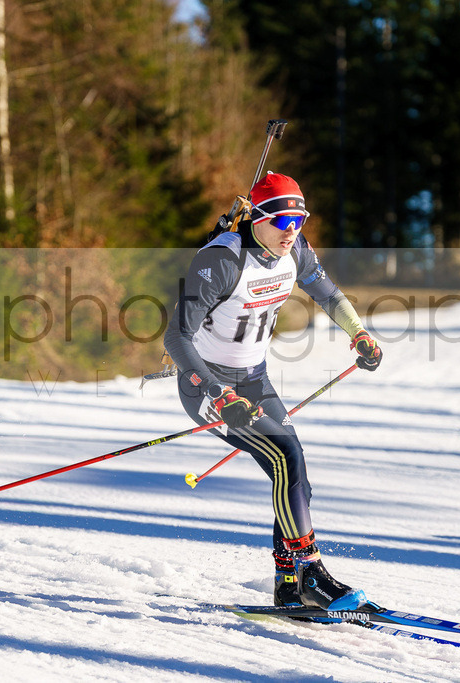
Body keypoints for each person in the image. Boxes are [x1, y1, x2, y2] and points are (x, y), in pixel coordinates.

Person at [163, 171, 382, 609]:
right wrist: (218, 393)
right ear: (258, 218)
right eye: (283, 223)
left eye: (300, 221)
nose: (292, 232)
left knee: (294, 474)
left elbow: (329, 294)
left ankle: (288, 580)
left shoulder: (293, 248)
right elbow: (176, 337)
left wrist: (359, 333)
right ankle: (311, 575)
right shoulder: (221, 261)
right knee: (286, 456)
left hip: (255, 379)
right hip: (208, 386)